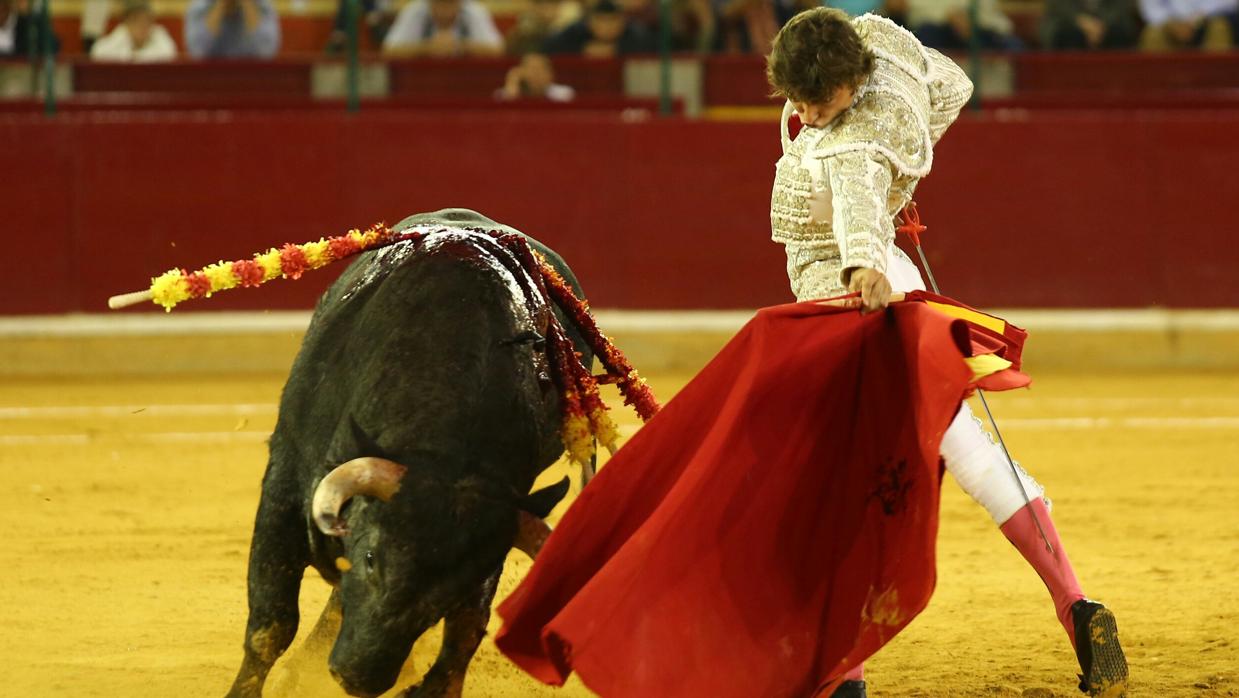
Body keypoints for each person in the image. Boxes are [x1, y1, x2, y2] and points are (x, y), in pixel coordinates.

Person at [766, 8, 1127, 696]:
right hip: (898, 278)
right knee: (966, 446)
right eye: (797, 98)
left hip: (846, 298)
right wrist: (907, 166)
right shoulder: (879, 43)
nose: (809, 114)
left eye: (821, 100)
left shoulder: (851, 146)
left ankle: (846, 669)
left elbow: (855, 205)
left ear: (849, 80)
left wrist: (860, 265)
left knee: (841, 472)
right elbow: (953, 84)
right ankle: (1073, 602)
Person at [381, 0, 503, 57]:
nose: (444, 12)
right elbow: (389, 50)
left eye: (450, 4)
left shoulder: (474, 12)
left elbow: (497, 50)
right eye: (439, 4)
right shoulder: (415, 11)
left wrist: (460, 46)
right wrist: (427, 48)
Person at [541, 0, 655, 57]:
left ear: (623, 21)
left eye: (612, 20)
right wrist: (582, 49)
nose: (607, 26)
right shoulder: (577, 31)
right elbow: (549, 46)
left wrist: (617, 49)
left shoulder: (635, 33)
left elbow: (652, 47)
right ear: (590, 22)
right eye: (601, 20)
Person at [906, 0, 1023, 50]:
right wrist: (949, 16)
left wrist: (969, 21)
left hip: (980, 31)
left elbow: (992, 15)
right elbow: (916, 9)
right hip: (939, 29)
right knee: (926, 33)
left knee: (1014, 46)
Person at [184, 0, 280, 58]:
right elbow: (198, 53)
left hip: (253, 80)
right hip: (212, 80)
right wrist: (221, 5)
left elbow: (266, 53)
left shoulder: (263, 7)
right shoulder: (200, 8)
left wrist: (247, 4)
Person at [91, 0, 178, 62]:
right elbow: (98, 53)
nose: (142, 25)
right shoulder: (116, 39)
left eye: (147, 20)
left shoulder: (160, 36)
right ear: (126, 22)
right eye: (135, 19)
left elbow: (169, 54)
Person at [1137, 0, 1236, 50]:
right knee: (1152, 34)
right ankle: (1158, 85)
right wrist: (1171, 24)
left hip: (1208, 20)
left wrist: (1196, 20)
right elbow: (1150, 7)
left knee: (1219, 28)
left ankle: (1214, 84)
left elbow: (1229, 3)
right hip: (1170, 24)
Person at [1041, 0, 1140, 49]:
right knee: (1068, 36)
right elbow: (1058, 5)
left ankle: (1116, 83)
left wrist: (1100, 24)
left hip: (1109, 22)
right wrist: (1080, 20)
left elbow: (1121, 6)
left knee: (1119, 33)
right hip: (1067, 21)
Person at [496, 52, 576, 101]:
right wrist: (513, 83)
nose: (536, 74)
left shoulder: (564, 94)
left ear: (550, 74)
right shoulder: (503, 94)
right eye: (531, 69)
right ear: (521, 72)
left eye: (541, 69)